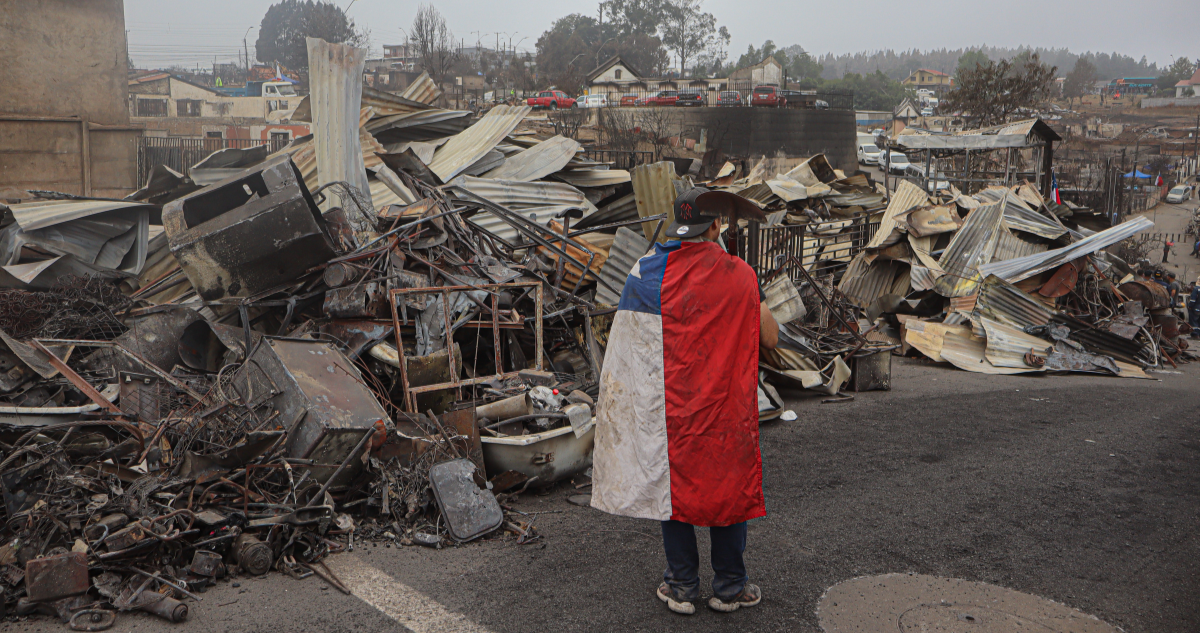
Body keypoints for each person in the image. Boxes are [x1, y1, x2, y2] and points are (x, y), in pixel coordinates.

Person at [592, 187, 778, 616]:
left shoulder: (645, 273)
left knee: (670, 488)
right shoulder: (741, 275)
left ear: (680, 224)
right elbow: (769, 338)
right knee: (726, 490)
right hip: (725, 409)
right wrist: (751, 290)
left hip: (669, 409)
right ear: (716, 225)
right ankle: (730, 587)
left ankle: (681, 586)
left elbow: (629, 348)